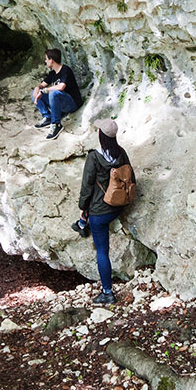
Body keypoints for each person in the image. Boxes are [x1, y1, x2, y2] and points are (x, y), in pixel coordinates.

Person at [74, 118, 135, 305]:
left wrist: (83, 206)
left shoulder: (94, 157)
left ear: (100, 135)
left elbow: (87, 187)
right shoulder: (121, 153)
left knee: (102, 251)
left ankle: (107, 292)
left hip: (101, 213)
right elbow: (132, 177)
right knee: (89, 216)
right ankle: (82, 222)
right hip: (119, 205)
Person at [30, 48, 83, 140]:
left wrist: (45, 90)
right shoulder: (53, 73)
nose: (45, 61)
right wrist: (37, 88)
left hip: (72, 103)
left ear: (52, 60)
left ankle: (56, 124)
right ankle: (48, 117)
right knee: (33, 93)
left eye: (46, 59)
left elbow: (61, 86)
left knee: (53, 93)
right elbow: (42, 84)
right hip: (61, 102)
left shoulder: (65, 70)